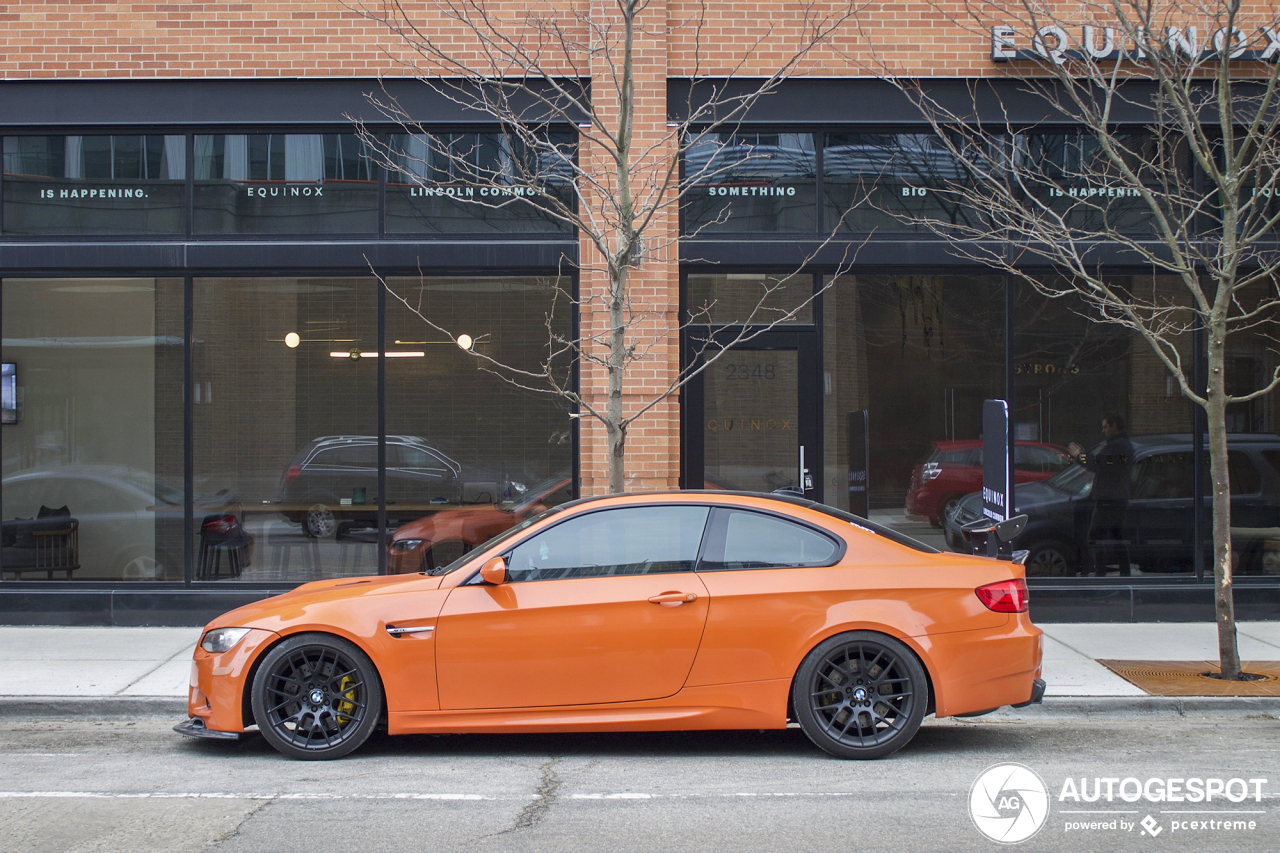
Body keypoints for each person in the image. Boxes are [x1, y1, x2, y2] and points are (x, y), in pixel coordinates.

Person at [1068, 413, 1134, 577]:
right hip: (1116, 499)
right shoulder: (1123, 445)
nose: (1103, 431)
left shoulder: (1118, 446)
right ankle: (1124, 576)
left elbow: (1098, 464)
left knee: (1096, 538)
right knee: (1117, 540)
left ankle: (1100, 576)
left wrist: (1080, 455)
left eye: (1105, 427)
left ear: (1114, 426)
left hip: (1109, 501)